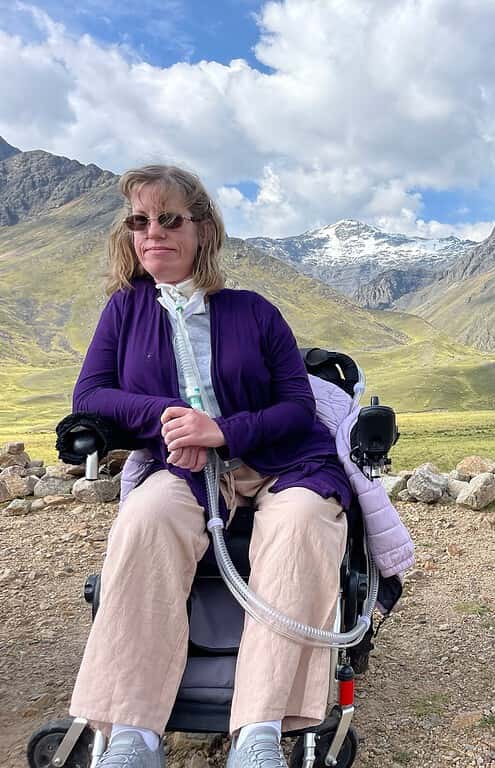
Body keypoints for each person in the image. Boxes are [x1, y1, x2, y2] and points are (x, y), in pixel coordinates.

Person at [69, 165, 353, 768]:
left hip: (283, 463)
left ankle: (258, 733)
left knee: (301, 525)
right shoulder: (124, 311)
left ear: (203, 230)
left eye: (169, 219)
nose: (153, 233)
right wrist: (172, 418)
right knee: (146, 520)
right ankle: (131, 734)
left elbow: (298, 409)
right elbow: (90, 396)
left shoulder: (254, 312)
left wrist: (224, 430)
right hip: (185, 469)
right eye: (140, 221)